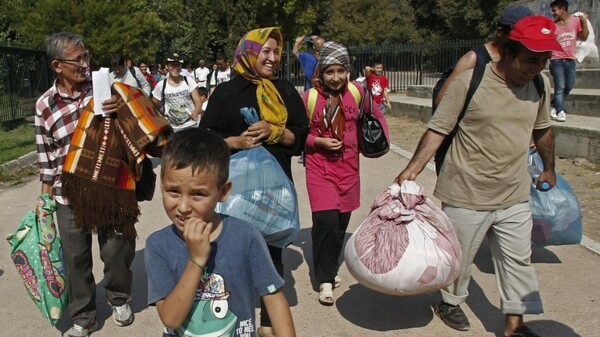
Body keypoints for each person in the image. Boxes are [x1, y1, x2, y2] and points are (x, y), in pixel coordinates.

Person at [394, 15, 561, 337]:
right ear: (510, 51)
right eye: (530, 60)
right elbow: (438, 129)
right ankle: (450, 301)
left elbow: (543, 129)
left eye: (543, 61)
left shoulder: (540, 85)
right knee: (460, 258)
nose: (536, 68)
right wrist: (411, 169)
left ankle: (515, 324)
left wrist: (550, 167)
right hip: (466, 191)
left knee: (518, 262)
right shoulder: (470, 81)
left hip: (514, 192)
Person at [199, 27, 308, 337]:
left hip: (275, 192)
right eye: (266, 51)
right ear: (248, 53)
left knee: (271, 257)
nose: (273, 58)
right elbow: (206, 138)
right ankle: (231, 319)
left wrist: (276, 132)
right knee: (228, 255)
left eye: (276, 52)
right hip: (233, 193)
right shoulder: (225, 93)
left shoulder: (284, 90)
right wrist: (236, 141)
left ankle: (268, 325)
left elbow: (300, 137)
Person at [145, 128, 296, 337]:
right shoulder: (158, 245)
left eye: (198, 194)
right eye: (173, 191)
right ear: (162, 186)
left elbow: (274, 298)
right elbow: (171, 319)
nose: (183, 206)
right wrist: (197, 259)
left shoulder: (246, 236)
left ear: (223, 192)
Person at [34, 32, 134, 337]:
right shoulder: (44, 106)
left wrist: (122, 109)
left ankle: (119, 297)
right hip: (68, 194)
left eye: (85, 56)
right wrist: (45, 201)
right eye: (77, 59)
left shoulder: (105, 89)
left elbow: (136, 125)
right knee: (75, 257)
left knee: (117, 248)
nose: (85, 63)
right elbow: (46, 158)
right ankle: (84, 316)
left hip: (110, 187)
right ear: (57, 66)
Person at [302, 41, 389, 306]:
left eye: (341, 70)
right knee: (326, 222)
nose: (336, 77)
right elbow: (295, 133)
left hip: (349, 170)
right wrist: (317, 142)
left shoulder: (358, 92)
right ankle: (325, 279)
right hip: (319, 169)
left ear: (348, 70)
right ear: (321, 72)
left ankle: (328, 263)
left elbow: (376, 117)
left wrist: (381, 140)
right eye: (330, 71)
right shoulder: (309, 98)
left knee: (340, 225)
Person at [433, 5, 534, 109]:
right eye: (517, 35)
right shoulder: (474, 59)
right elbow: (442, 101)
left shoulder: (521, 61)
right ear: (501, 32)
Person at [549, 0, 589, 122]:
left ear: (563, 9)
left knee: (569, 86)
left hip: (570, 59)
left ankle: (554, 104)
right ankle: (561, 111)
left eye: (555, 10)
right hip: (556, 59)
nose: (553, 13)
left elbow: (584, 36)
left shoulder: (575, 21)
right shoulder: (552, 25)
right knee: (560, 86)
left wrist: (584, 22)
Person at [152, 52, 203, 132]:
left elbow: (197, 100)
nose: (175, 68)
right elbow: (154, 103)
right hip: (172, 127)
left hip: (190, 124)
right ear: (166, 66)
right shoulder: (161, 85)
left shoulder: (188, 81)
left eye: (178, 65)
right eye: (172, 65)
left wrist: (196, 112)